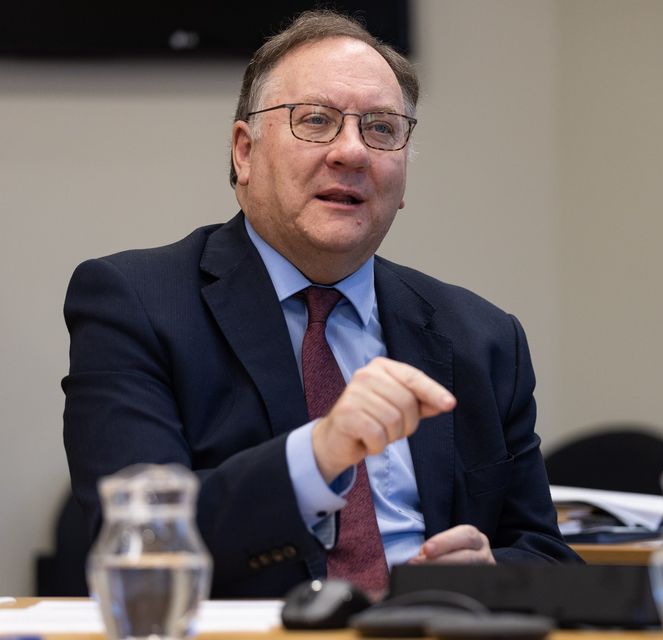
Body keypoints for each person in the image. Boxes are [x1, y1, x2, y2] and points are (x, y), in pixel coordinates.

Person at [62, 9, 579, 598]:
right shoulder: (135, 302)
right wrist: (319, 455)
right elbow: (141, 540)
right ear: (244, 152)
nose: (352, 152)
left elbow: (549, 557)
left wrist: (492, 577)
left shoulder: (481, 337)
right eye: (316, 121)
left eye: (382, 129)